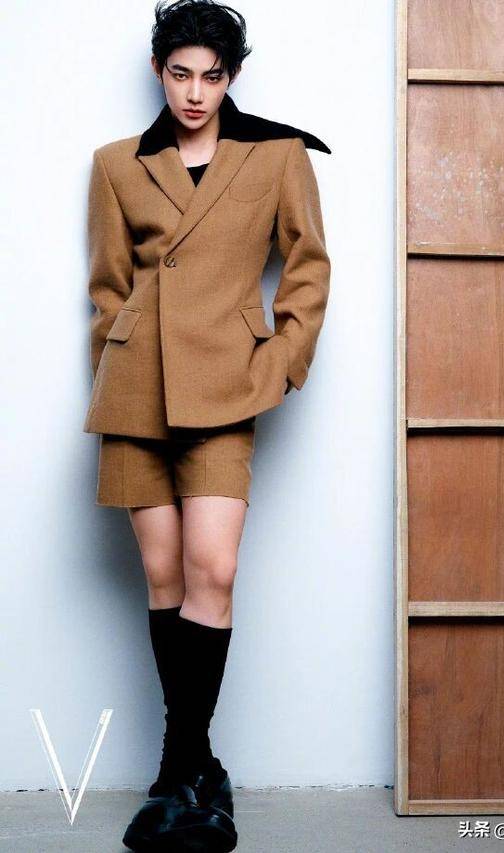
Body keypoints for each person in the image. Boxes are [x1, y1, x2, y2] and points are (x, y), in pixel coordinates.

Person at [82, 1, 331, 849]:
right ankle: (197, 771)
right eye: (181, 74)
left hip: (225, 386)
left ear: (233, 77)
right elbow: (108, 289)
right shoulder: (117, 164)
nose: (195, 93)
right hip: (137, 391)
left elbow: (308, 265)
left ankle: (175, 764)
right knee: (163, 577)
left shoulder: (277, 154)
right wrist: (113, 372)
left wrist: (282, 359)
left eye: (212, 76)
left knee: (211, 571)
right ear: (159, 71)